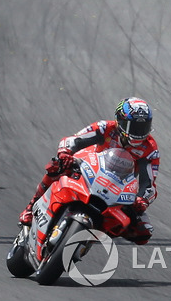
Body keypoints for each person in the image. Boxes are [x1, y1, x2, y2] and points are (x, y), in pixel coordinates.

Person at [18, 97, 160, 246]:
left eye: (143, 127)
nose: (139, 133)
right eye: (134, 127)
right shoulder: (105, 128)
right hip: (89, 168)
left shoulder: (150, 149)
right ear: (120, 121)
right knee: (56, 165)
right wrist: (64, 153)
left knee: (143, 232)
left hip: (119, 185)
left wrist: (142, 200)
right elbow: (74, 140)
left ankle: (94, 234)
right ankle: (30, 207)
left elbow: (149, 183)